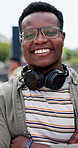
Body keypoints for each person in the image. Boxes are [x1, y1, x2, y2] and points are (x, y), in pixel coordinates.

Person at [0, 1, 78, 148]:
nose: (40, 40)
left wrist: (31, 146)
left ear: (62, 37)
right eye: (29, 34)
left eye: (50, 32)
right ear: (22, 41)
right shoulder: (3, 97)